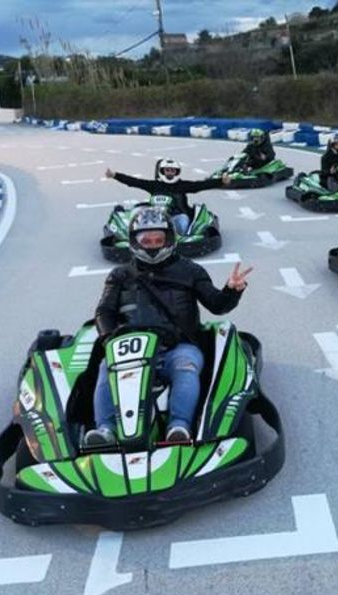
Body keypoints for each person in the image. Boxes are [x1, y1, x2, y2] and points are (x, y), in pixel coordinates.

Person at [84, 206, 252, 447]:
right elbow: (104, 312)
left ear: (169, 239)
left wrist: (231, 290)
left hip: (178, 345)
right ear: (135, 242)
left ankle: (179, 426)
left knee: (186, 366)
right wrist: (110, 340)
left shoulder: (190, 270)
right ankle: (106, 430)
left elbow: (217, 305)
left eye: (158, 240)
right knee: (106, 367)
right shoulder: (120, 275)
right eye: (146, 240)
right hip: (131, 346)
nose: (153, 245)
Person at [105, 159, 230, 235]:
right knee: (136, 212)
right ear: (162, 172)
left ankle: (179, 238)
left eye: (172, 171)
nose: (170, 173)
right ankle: (137, 237)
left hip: (176, 216)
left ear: (177, 172)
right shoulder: (154, 185)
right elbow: (134, 182)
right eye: (167, 170)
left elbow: (201, 185)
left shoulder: (182, 185)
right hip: (154, 219)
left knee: (183, 221)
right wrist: (115, 175)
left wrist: (220, 181)